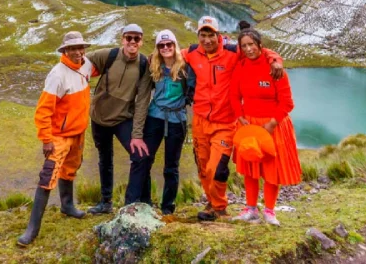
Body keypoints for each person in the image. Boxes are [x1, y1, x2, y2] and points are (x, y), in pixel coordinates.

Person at [183, 16, 284, 221]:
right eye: (203, 35)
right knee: (203, 167)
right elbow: (169, 53)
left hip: (225, 122)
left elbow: (257, 49)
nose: (207, 40)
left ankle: (220, 207)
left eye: (211, 35)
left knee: (215, 168)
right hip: (200, 120)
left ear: (218, 35)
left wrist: (276, 60)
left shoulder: (232, 51)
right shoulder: (193, 52)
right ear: (198, 35)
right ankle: (213, 204)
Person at [18, 31, 95, 246]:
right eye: (73, 48)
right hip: (59, 137)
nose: (78, 52)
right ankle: (32, 229)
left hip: (78, 133)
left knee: (70, 170)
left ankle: (67, 206)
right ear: (65, 51)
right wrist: (46, 139)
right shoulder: (57, 75)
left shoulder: (86, 65)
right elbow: (43, 111)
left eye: (80, 47)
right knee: (48, 176)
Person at [229, 29, 301, 225]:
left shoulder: (274, 69)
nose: (248, 49)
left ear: (260, 45)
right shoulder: (240, 66)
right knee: (250, 167)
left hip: (273, 125)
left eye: (251, 44)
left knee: (271, 170)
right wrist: (239, 116)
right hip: (249, 125)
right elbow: (234, 95)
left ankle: (269, 211)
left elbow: (287, 102)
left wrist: (272, 123)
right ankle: (250, 209)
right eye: (244, 46)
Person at [86, 24, 154, 214]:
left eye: (136, 38)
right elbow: (81, 61)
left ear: (141, 41)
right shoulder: (108, 55)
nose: (132, 41)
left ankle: (142, 202)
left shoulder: (144, 65)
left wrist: (137, 135)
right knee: (105, 159)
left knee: (141, 156)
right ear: (122, 39)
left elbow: (142, 102)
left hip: (123, 118)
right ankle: (105, 202)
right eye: (129, 37)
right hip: (99, 117)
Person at [137, 29, 195, 215]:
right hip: (155, 117)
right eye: (161, 45)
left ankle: (168, 207)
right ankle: (145, 201)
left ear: (174, 45)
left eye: (169, 44)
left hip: (177, 120)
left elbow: (194, 88)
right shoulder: (153, 65)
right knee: (145, 160)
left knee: (171, 166)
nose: (165, 48)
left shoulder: (186, 67)